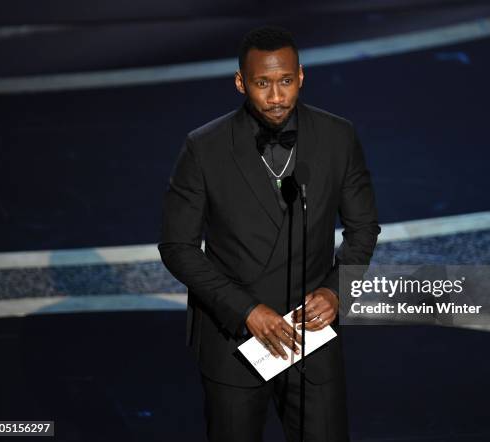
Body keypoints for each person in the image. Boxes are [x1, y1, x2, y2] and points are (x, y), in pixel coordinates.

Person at [158, 26, 380, 442]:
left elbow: (363, 227)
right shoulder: (203, 148)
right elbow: (177, 247)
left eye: (285, 81)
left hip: (310, 336)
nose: (276, 96)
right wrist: (246, 310)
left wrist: (336, 291)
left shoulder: (337, 136)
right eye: (262, 83)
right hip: (234, 341)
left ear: (301, 76)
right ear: (242, 82)